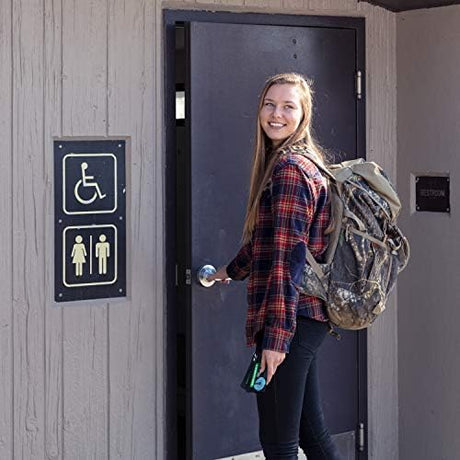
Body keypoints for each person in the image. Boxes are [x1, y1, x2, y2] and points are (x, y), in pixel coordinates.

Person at [208, 73, 342, 460]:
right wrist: (229, 271)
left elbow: (287, 259)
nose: (276, 114)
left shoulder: (290, 171)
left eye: (287, 106)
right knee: (311, 433)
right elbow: (268, 241)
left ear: (303, 115)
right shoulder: (302, 164)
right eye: (269, 104)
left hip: (292, 320)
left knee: (279, 441)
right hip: (307, 319)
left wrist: (276, 340)